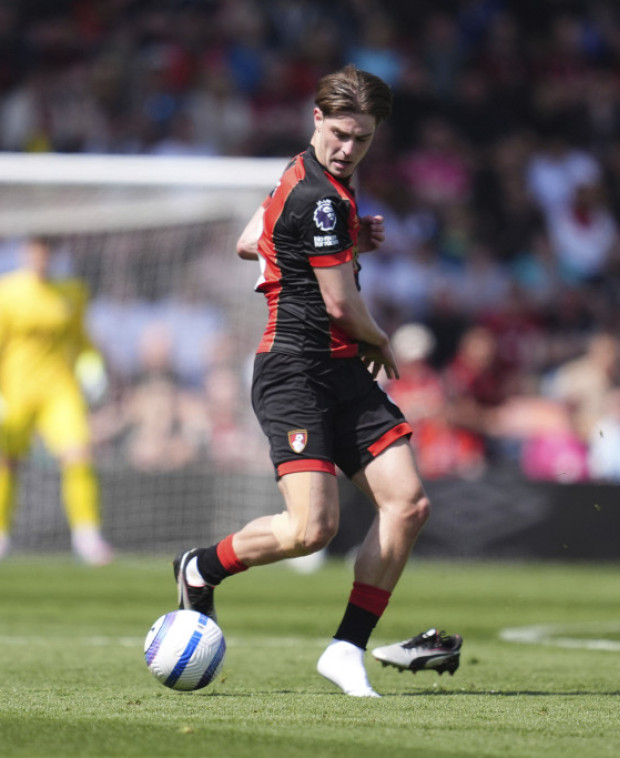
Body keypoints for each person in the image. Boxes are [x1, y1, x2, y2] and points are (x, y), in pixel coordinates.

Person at [172, 65, 434, 698]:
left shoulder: (307, 177)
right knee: (310, 530)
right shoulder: (318, 194)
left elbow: (250, 242)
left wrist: (343, 242)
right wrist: (380, 337)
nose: (349, 148)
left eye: (362, 138)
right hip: (295, 368)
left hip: (339, 368)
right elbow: (341, 305)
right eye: (340, 134)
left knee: (407, 503)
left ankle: (346, 649)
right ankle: (200, 568)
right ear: (317, 119)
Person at [0, 237, 113, 565]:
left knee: (79, 454)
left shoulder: (72, 293)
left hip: (59, 390)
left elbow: (82, 341)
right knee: (6, 461)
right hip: (15, 389)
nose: (42, 258)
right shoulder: (7, 293)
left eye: (47, 252)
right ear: (26, 253)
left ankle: (86, 535)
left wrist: (92, 367)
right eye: (36, 251)